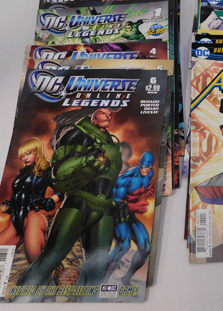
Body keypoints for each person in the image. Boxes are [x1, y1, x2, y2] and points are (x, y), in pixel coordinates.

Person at [17, 108, 122, 288]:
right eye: (103, 112)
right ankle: (23, 296)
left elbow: (110, 180)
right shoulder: (77, 135)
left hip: (104, 207)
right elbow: (60, 174)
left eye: (109, 113)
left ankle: (89, 300)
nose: (108, 115)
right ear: (93, 118)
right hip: (79, 202)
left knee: (98, 264)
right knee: (52, 256)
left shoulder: (112, 144)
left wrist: (119, 204)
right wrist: (86, 161)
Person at [0, 138, 62, 263]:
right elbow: (18, 194)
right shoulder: (22, 174)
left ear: (37, 152)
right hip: (16, 220)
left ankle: (54, 271)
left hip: (33, 216)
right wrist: (9, 205)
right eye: (22, 156)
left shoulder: (47, 171)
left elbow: (62, 190)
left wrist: (50, 200)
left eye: (28, 154)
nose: (25, 158)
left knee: (35, 259)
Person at [107, 152, 155, 285]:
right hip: (118, 215)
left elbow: (139, 191)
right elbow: (115, 204)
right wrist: (134, 206)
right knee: (124, 246)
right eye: (144, 166)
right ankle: (102, 280)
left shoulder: (149, 174)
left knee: (146, 247)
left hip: (130, 215)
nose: (147, 169)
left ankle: (126, 278)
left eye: (150, 167)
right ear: (140, 164)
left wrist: (147, 191)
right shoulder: (126, 180)